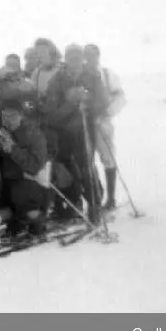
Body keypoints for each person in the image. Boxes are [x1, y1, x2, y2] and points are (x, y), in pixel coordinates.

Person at [45, 44, 110, 223]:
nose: (74, 61)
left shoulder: (92, 76)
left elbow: (103, 102)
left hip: (86, 128)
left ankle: (94, 205)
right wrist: (70, 102)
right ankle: (71, 204)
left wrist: (88, 102)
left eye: (77, 57)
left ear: (82, 58)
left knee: (86, 166)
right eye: (70, 57)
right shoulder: (57, 80)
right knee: (66, 167)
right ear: (65, 58)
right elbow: (51, 113)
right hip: (64, 131)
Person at [0, 98, 50, 237]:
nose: (8, 120)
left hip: (35, 186)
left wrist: (13, 149)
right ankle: (14, 221)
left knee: (19, 193)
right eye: (4, 116)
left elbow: (34, 167)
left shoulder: (33, 134)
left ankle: (38, 221)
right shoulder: (1, 133)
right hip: (9, 183)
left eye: (12, 116)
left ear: (21, 116)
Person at [83, 44, 127, 210]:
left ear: (98, 56)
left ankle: (111, 199)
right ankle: (95, 197)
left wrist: (107, 112)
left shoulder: (107, 74)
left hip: (102, 121)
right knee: (87, 160)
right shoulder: (81, 74)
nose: (89, 58)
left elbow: (120, 97)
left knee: (107, 157)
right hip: (85, 122)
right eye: (86, 55)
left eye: (92, 55)